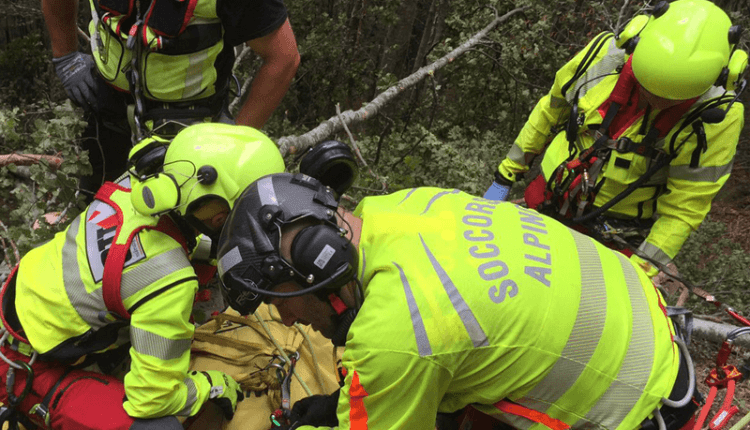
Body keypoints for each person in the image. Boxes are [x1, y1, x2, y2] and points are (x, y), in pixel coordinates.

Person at [215, 172, 700, 430]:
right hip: (640, 316)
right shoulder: (400, 207)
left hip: (635, 403)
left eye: (281, 300)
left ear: (320, 265)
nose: (284, 317)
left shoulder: (395, 336)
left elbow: (408, 343)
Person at [0, 123, 286, 430]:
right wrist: (212, 385)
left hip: (29, 309)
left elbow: (163, 240)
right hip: (24, 366)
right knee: (159, 427)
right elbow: (152, 400)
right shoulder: (168, 276)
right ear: (217, 210)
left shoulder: (135, 183)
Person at [482, 0, 746, 280]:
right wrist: (504, 177)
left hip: (615, 239)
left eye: (670, 98)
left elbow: (684, 209)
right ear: (636, 37)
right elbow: (550, 110)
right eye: (647, 86)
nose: (655, 100)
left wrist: (641, 270)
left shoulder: (717, 117)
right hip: (545, 200)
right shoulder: (604, 57)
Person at [41, 0, 300, 197]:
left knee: (191, 222)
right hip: (105, 106)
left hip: (193, 124)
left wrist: (234, 139)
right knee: (99, 205)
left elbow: (283, 57)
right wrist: (66, 57)